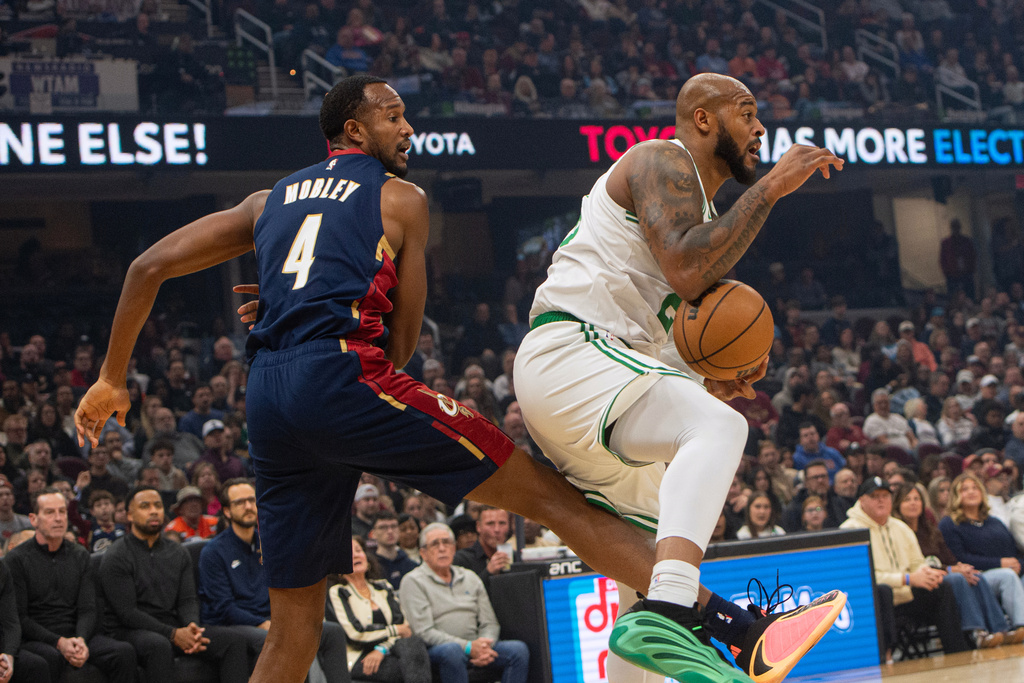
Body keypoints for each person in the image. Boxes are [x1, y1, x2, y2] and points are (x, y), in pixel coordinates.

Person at [74, 74, 752, 683]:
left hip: (269, 395)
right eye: (393, 116)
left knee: (292, 633)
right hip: (343, 375)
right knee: (552, 499)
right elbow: (398, 348)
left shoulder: (265, 200)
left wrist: (111, 378)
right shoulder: (402, 199)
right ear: (354, 129)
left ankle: (712, 623)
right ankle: (725, 622)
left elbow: (146, 268)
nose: (408, 128)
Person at [513, 71, 846, 682]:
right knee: (718, 430)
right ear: (703, 119)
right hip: (571, 353)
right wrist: (773, 186)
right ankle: (675, 610)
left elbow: (666, 322)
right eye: (747, 112)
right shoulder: (661, 159)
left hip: (601, 377)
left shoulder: (701, 214)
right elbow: (688, 269)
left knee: (643, 563)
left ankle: (677, 616)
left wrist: (705, 376)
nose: (760, 128)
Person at [198, 479, 351, 681]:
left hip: (270, 619)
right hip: (232, 624)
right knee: (276, 641)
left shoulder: (269, 542)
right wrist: (262, 623)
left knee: (332, 632)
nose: (248, 506)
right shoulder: (213, 552)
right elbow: (223, 607)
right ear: (226, 511)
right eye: (240, 502)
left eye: (251, 500)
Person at [98, 486, 250, 683]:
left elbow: (187, 600)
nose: (154, 511)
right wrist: (172, 634)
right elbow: (127, 613)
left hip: (174, 626)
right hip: (130, 630)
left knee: (234, 641)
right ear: (129, 515)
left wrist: (192, 627)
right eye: (145, 506)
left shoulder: (178, 552)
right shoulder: (117, 555)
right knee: (158, 645)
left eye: (158, 506)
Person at [6, 488, 137, 683]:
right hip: (38, 638)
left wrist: (81, 640)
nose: (58, 518)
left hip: (76, 633)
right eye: (50, 512)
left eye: (62, 512)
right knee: (49, 658)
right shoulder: (16, 559)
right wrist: (59, 642)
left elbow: (88, 608)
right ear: (34, 519)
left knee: (123, 652)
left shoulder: (80, 555)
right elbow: (20, 618)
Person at [840, 476, 970, 656]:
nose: (881, 500)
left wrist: (926, 573)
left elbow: (917, 562)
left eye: (885, 496)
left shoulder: (900, 527)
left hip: (906, 594)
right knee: (884, 592)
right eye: (875, 496)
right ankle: (886, 657)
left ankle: (958, 652)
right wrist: (907, 579)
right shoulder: (850, 530)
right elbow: (862, 576)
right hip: (876, 599)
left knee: (942, 587)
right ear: (862, 500)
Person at [892, 482, 1024, 646]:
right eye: (907, 500)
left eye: (916, 499)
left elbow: (950, 557)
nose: (913, 503)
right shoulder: (899, 531)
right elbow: (917, 564)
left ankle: (1001, 630)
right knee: (959, 578)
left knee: (973, 575)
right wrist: (950, 569)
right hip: (923, 581)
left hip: (945, 573)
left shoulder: (930, 529)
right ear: (897, 506)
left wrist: (960, 567)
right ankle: (977, 633)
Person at [399, 523, 528, 683]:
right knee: (452, 651)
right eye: (435, 544)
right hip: (438, 649)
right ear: (423, 553)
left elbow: (489, 623)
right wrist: (467, 647)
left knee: (518, 650)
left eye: (446, 542)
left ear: (454, 549)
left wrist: (484, 646)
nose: (442, 548)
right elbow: (424, 631)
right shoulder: (413, 581)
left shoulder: (470, 577)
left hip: (477, 644)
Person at [328, 537, 429, 682]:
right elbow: (355, 634)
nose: (355, 555)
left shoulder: (383, 586)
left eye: (358, 550)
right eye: (348, 553)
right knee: (407, 668)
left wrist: (381, 649)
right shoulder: (338, 592)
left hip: (389, 649)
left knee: (413, 643)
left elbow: (404, 628)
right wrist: (394, 631)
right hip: (360, 656)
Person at [453, 505, 515, 587]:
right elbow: (460, 592)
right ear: (478, 526)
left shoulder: (515, 556)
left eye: (502, 523)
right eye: (490, 523)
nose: (497, 529)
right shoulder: (462, 559)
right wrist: (488, 572)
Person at [369, 511, 418, 588]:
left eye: (394, 526)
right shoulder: (371, 568)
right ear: (373, 534)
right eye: (383, 527)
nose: (390, 531)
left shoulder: (411, 565)